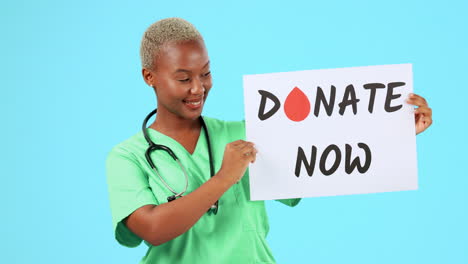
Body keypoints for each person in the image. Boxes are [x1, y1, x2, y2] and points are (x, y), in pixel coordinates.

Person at [106, 18, 433, 264]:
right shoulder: (127, 157)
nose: (199, 88)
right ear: (149, 77)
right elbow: (152, 228)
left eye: (205, 73)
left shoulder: (248, 133)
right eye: (183, 78)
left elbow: (325, 157)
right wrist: (224, 178)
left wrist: (393, 132)